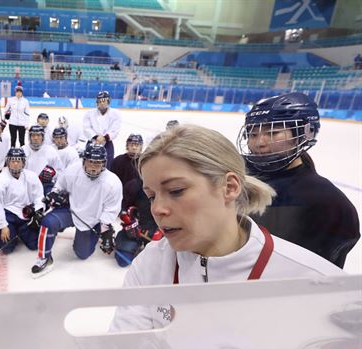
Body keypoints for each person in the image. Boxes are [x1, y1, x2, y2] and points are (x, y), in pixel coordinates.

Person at [109, 124, 345, 332]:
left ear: (230, 187)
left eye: (176, 191)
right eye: (151, 196)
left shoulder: (314, 283)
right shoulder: (149, 265)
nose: (157, 209)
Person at [237, 92, 360, 268]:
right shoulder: (236, 172)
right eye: (253, 134)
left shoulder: (328, 202)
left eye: (273, 132)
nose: (259, 143)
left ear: (305, 133)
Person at [32, 144, 122, 278]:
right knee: (48, 222)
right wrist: (54, 195)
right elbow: (59, 186)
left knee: (82, 254)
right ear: (84, 160)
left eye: (98, 163)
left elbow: (111, 209)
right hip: (70, 210)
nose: (93, 166)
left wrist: (105, 229)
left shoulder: (113, 182)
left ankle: (92, 234)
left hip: (92, 219)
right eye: (90, 161)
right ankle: (44, 258)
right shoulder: (73, 170)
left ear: (104, 164)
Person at [0, 148, 45, 254]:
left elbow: (39, 197)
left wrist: (38, 212)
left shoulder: (31, 176)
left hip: (25, 215)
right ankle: (12, 230)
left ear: (23, 163)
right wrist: (3, 226)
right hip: (8, 215)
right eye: (12, 161)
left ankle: (21, 231)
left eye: (18, 161)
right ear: (8, 162)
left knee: (34, 244)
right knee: (6, 248)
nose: (15, 164)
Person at [83, 91, 121, 169]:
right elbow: (86, 128)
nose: (102, 103)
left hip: (107, 143)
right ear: (97, 102)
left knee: (107, 165)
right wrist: (96, 136)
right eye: (100, 101)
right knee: (89, 165)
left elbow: (115, 130)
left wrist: (105, 137)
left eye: (104, 101)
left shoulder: (115, 114)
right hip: (92, 142)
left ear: (108, 101)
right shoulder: (89, 113)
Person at [23, 125, 61, 194]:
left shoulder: (51, 151)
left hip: (46, 185)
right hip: (26, 186)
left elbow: (60, 173)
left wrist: (53, 174)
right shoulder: (23, 150)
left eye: (38, 135)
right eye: (33, 135)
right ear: (29, 137)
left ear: (43, 137)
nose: (36, 138)